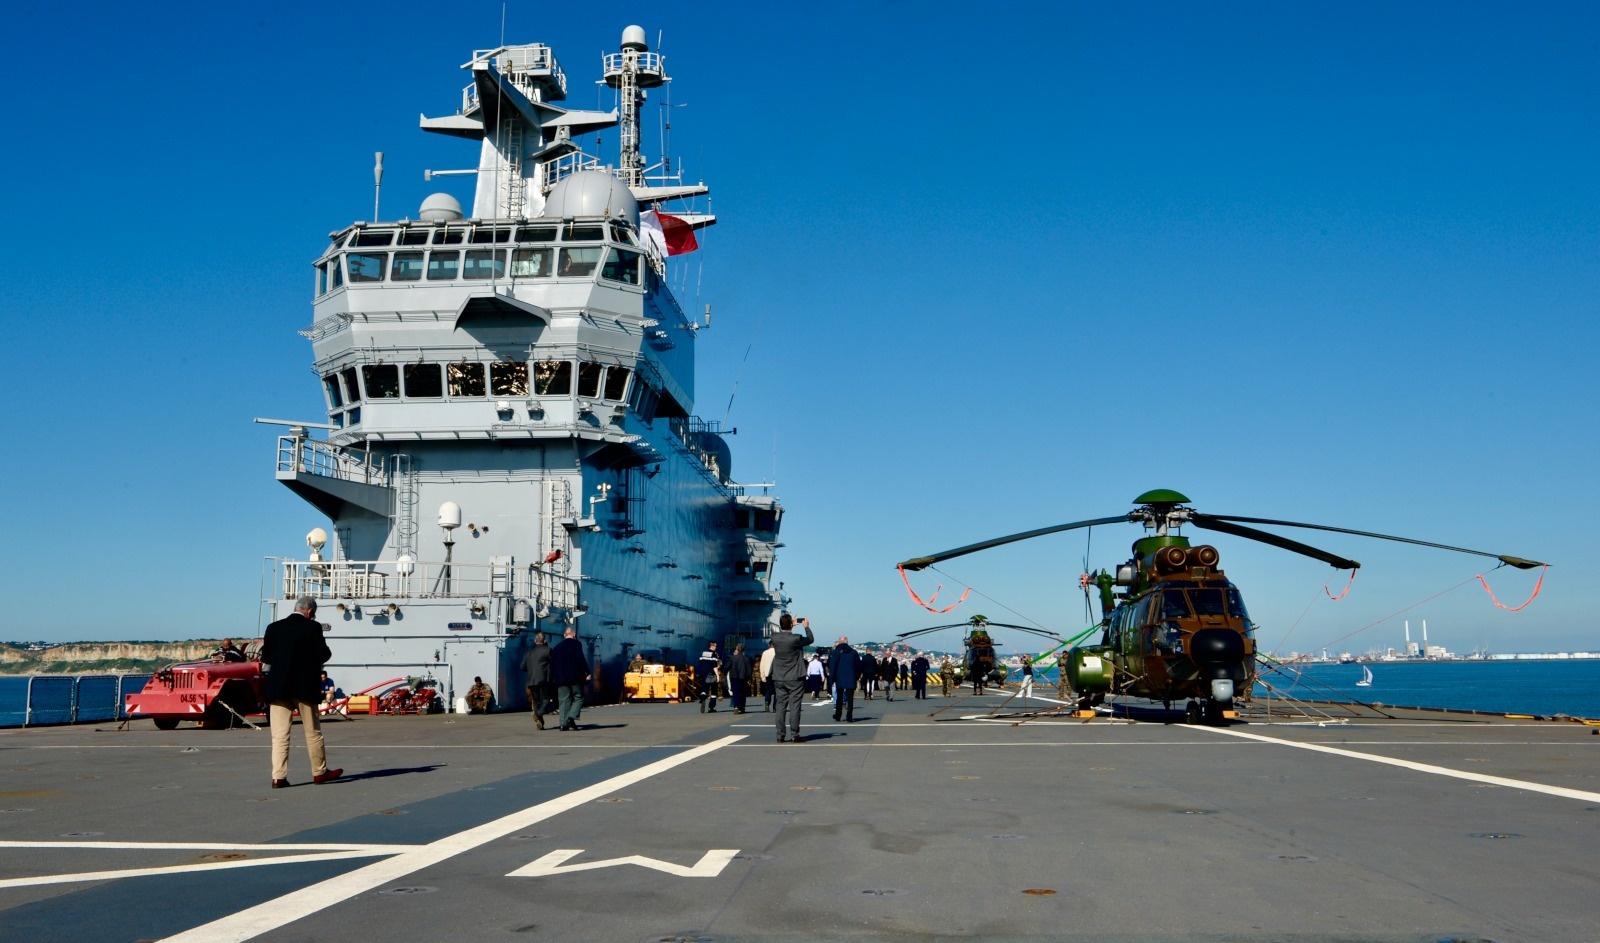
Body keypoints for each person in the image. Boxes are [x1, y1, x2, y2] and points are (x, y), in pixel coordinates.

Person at [260, 596, 342, 788]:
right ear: (310, 612)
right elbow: (324, 655)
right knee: (312, 732)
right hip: (305, 687)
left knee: (279, 735)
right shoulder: (312, 628)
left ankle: (278, 777)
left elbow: (267, 657)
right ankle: (319, 772)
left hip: (278, 688)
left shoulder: (274, 628)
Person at [770, 614, 815, 742]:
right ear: (791, 624)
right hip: (795, 676)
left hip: (779, 676)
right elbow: (810, 639)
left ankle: (780, 735)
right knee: (794, 706)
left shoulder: (774, 638)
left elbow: (781, 636)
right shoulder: (796, 638)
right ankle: (794, 734)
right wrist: (806, 627)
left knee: (780, 706)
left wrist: (788, 626)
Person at [550, 626, 591, 730]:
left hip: (561, 678)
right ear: (574, 635)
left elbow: (552, 664)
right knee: (578, 697)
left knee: (564, 700)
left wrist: (553, 677)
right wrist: (587, 672)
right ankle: (571, 716)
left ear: (564, 635)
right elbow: (580, 659)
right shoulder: (577, 644)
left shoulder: (557, 647)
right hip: (575, 677)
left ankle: (563, 724)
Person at [521, 631, 553, 730]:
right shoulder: (548, 651)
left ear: (535, 641)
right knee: (546, 699)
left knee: (536, 701)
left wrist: (531, 670)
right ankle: (538, 713)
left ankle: (540, 722)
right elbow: (553, 663)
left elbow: (522, 666)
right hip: (543, 680)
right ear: (544, 641)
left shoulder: (528, 653)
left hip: (531, 681)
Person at [829, 636, 859, 722]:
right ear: (847, 641)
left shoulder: (835, 652)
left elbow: (832, 667)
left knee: (839, 697)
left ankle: (838, 715)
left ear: (839, 642)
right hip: (851, 677)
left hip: (839, 677)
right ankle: (849, 716)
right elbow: (858, 666)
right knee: (850, 698)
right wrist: (856, 676)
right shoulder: (853, 652)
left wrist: (831, 679)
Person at [696, 641, 723, 713]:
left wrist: (699, 673)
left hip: (703, 674)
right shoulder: (714, 654)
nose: (716, 647)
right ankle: (711, 708)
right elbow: (714, 666)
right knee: (714, 690)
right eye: (715, 646)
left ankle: (703, 698)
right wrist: (717, 675)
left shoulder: (703, 653)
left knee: (704, 688)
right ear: (712, 646)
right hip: (711, 674)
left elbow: (700, 664)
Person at [726, 643, 752, 714]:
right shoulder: (746, 658)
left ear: (737, 649)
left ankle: (736, 706)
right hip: (743, 678)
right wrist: (749, 679)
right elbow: (749, 670)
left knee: (736, 692)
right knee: (743, 693)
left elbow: (727, 666)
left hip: (734, 677)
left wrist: (724, 671)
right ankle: (742, 708)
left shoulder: (732, 658)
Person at [759, 645, 776, 711]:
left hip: (767, 674)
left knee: (768, 690)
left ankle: (767, 702)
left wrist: (762, 676)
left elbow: (762, 665)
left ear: (769, 645)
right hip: (776, 674)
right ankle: (775, 707)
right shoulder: (778, 652)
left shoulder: (765, 653)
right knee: (776, 692)